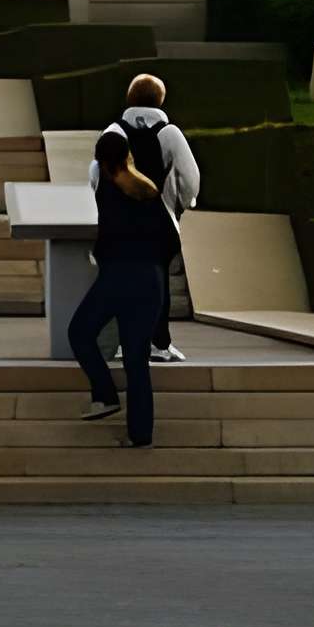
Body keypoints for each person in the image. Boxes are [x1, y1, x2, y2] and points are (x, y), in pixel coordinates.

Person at [69, 89, 184, 448]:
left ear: (103, 163)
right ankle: (141, 434)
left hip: (119, 275)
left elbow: (106, 234)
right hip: (150, 279)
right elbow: (166, 236)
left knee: (80, 332)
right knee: (137, 360)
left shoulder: (106, 190)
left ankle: (104, 394)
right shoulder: (149, 191)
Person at [84, 70, 200, 361]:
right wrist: (185, 202)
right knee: (156, 282)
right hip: (159, 222)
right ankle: (159, 343)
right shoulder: (169, 133)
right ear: (160, 100)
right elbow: (190, 175)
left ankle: (127, 342)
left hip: (119, 224)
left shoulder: (113, 131)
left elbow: (95, 172)